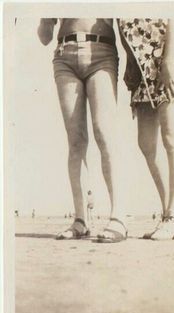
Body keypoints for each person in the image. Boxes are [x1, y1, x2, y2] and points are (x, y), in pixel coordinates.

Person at [38, 18, 127, 242]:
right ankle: (81, 220)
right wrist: (45, 18)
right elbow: (44, 37)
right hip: (64, 54)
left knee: (104, 133)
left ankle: (118, 217)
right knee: (76, 141)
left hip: (103, 51)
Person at [118, 18, 174, 240]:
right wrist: (131, 66)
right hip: (142, 72)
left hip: (165, 63)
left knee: (171, 138)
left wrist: (168, 62)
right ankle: (167, 214)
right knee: (146, 144)